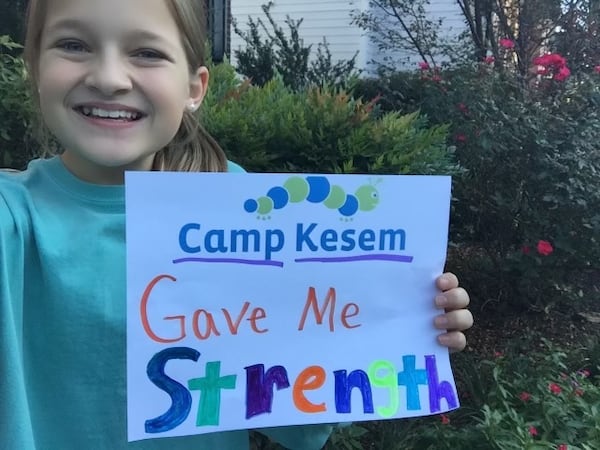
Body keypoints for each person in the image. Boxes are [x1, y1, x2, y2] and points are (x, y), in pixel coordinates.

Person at [0, 0, 474, 448]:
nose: (108, 78)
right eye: (73, 45)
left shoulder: (244, 210)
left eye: (146, 52)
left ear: (194, 88)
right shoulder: (13, 213)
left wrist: (406, 321)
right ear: (34, 69)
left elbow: (301, 429)